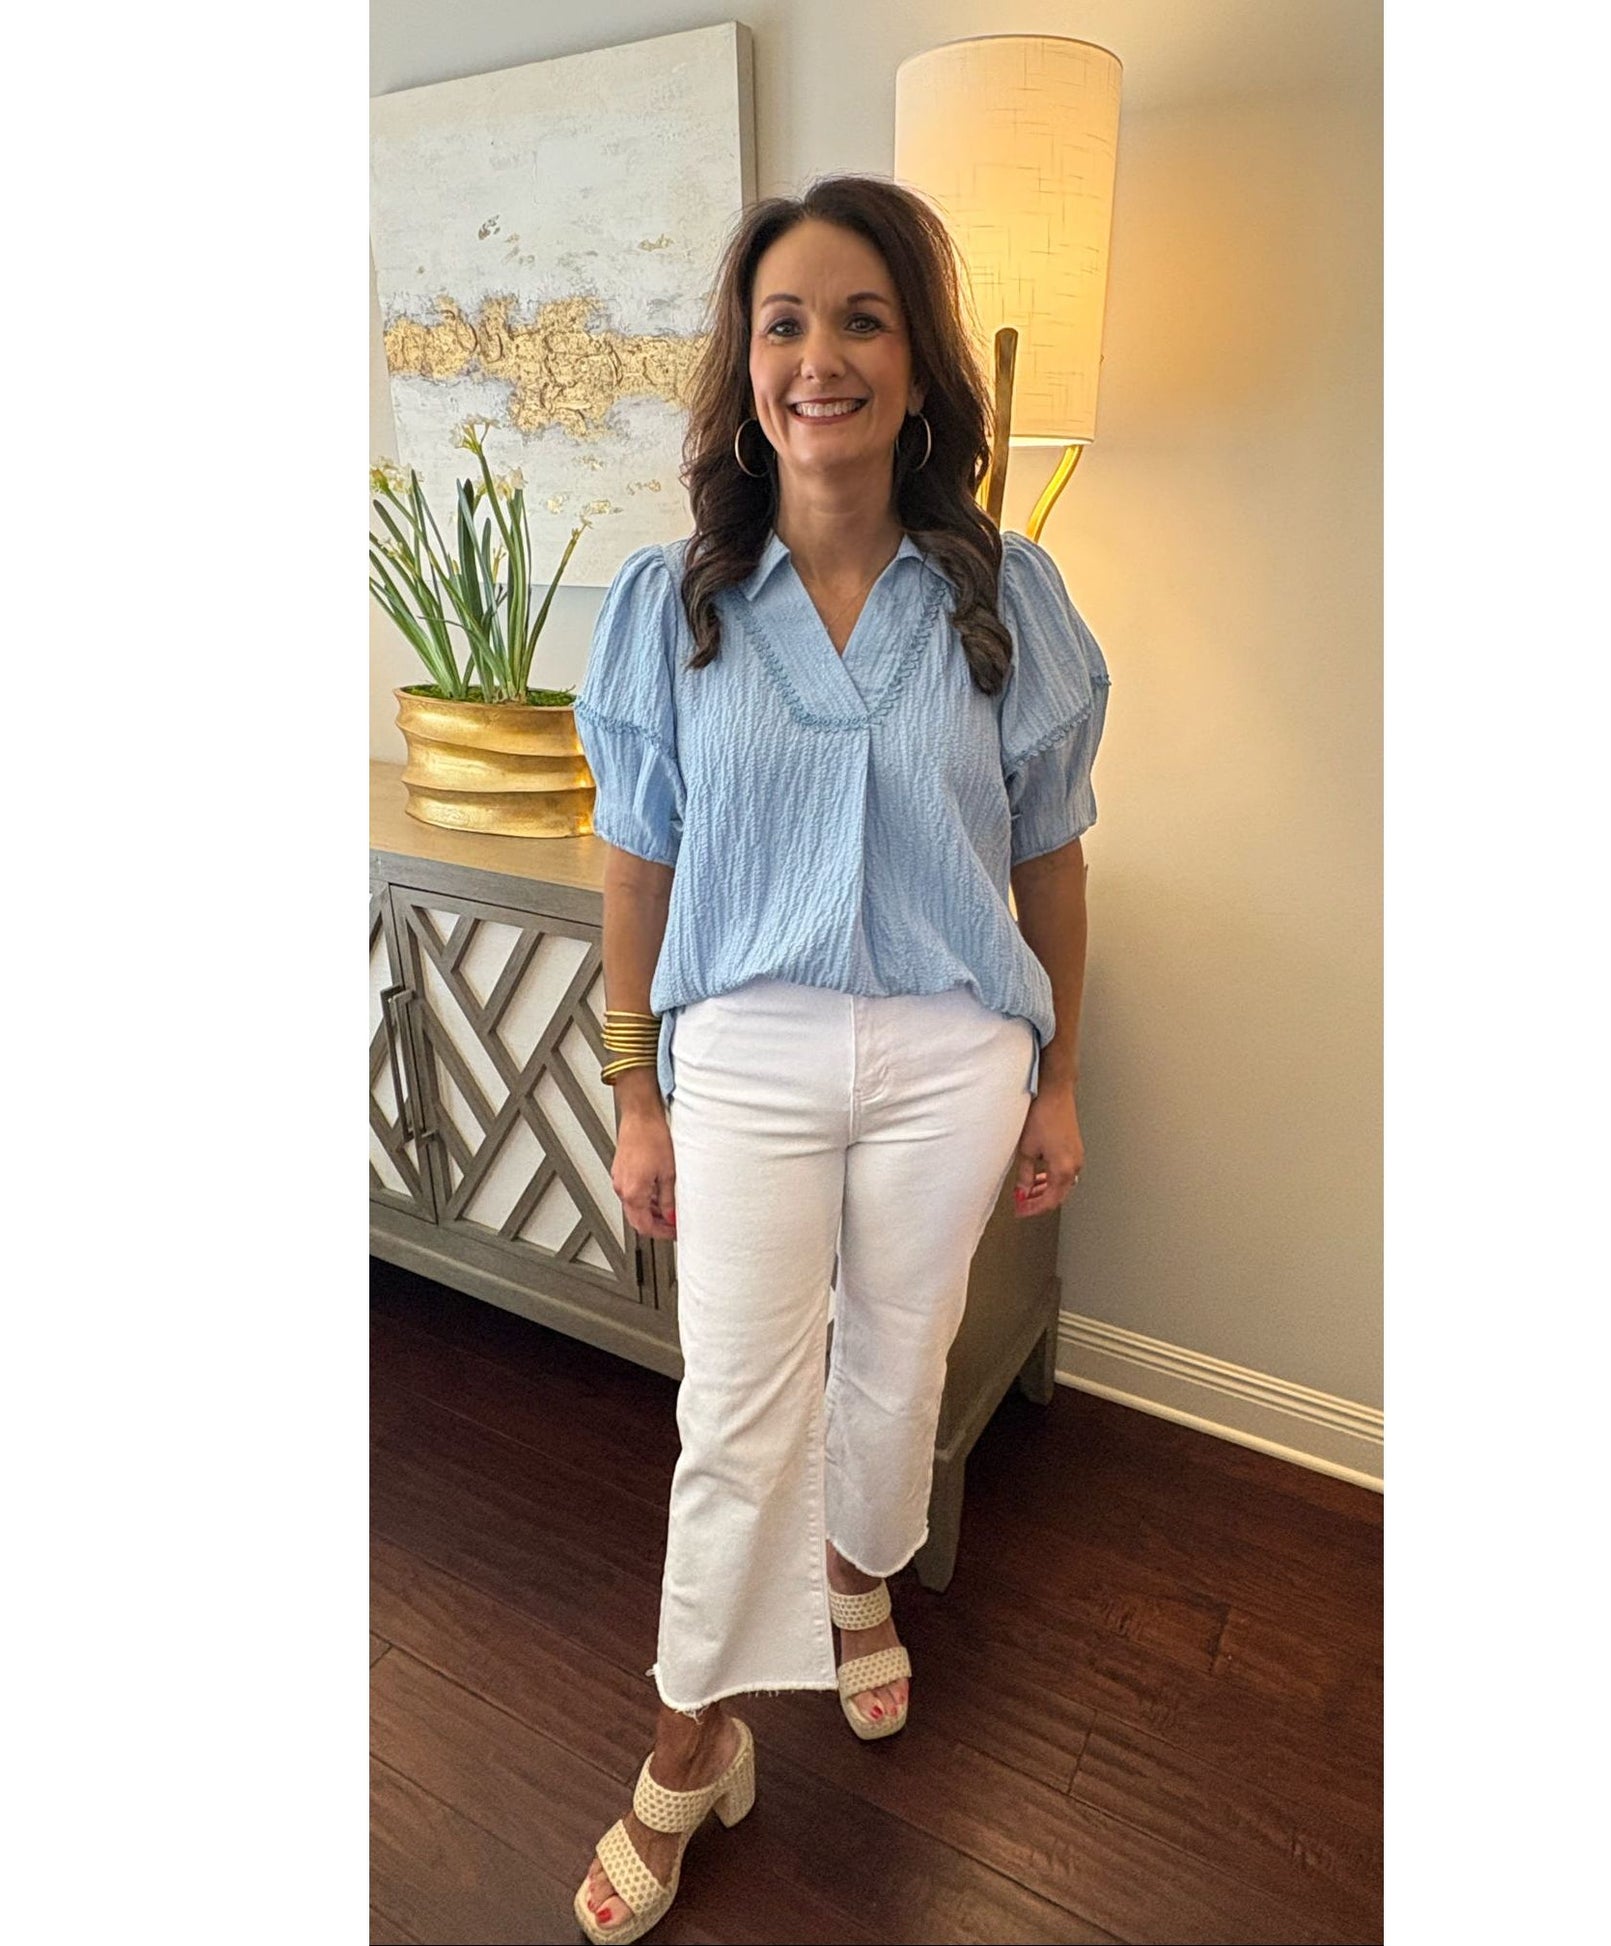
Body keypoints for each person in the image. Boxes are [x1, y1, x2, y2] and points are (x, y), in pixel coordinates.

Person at [569, 174, 1112, 1944]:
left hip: (956, 1052)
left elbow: (1052, 858)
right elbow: (633, 869)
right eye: (785, 322)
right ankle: (689, 1742)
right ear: (745, 366)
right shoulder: (671, 604)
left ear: (916, 360)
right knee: (735, 1406)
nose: (822, 355)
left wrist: (1056, 1075)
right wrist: (634, 1091)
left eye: (862, 319)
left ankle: (858, 1579)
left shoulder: (1003, 594)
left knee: (900, 1354)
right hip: (746, 1050)